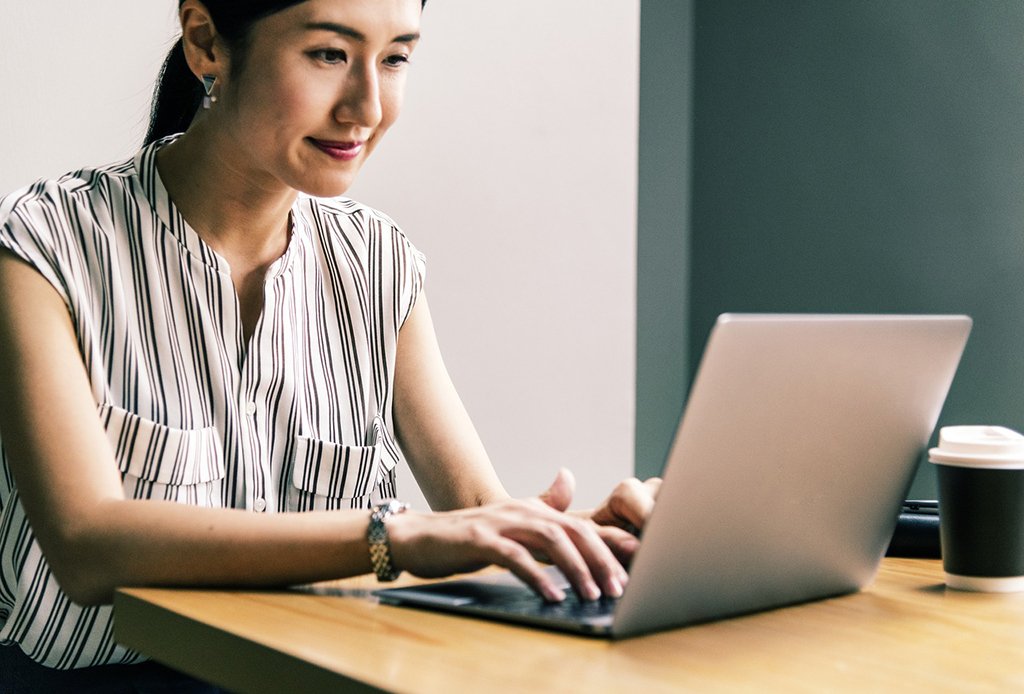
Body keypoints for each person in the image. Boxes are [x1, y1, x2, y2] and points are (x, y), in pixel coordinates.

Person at [0, 0, 659, 689]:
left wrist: (593, 539)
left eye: (396, 58)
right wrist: (389, 537)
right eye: (329, 55)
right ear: (206, 43)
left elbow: (474, 520)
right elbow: (87, 548)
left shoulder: (378, 263)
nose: (366, 107)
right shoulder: (46, 248)